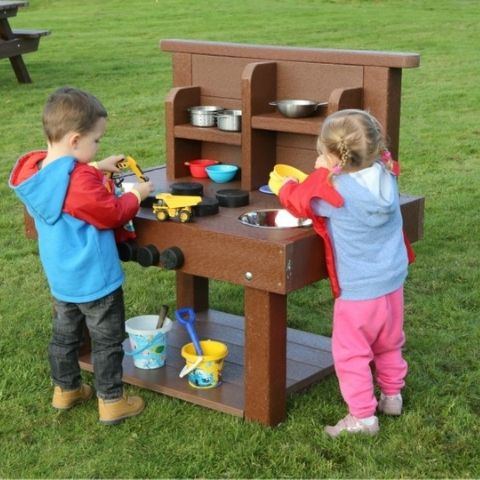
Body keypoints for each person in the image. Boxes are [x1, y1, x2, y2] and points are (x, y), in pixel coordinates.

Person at [9, 87, 155, 425]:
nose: (98, 146)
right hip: (96, 279)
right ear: (75, 140)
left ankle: (66, 390)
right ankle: (111, 400)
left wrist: (95, 166)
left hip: (62, 280)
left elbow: (69, 181)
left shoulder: (40, 175)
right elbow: (111, 212)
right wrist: (136, 193)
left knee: (64, 337)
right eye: (97, 141)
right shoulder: (78, 182)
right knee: (107, 341)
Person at [278, 109, 414, 437]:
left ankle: (363, 417)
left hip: (358, 292)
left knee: (351, 354)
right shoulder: (387, 172)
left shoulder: (333, 190)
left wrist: (291, 183)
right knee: (389, 341)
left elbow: (297, 202)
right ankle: (392, 395)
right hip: (392, 283)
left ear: (329, 154)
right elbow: (379, 155)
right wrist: (332, 166)